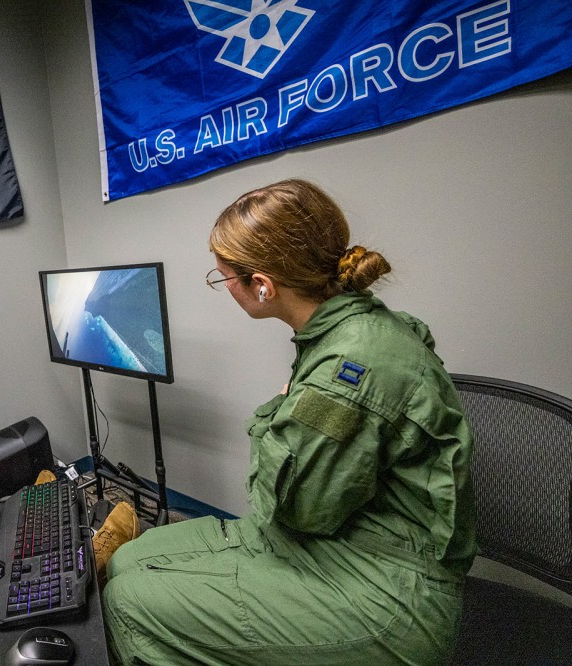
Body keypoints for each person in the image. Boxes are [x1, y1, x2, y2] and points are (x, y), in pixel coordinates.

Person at [101, 179, 476, 665]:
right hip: (340, 536)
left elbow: (294, 508)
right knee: (128, 558)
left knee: (128, 603)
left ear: (263, 285)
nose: (224, 289)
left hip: (387, 591)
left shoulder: (347, 369)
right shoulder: (348, 324)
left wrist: (275, 412)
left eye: (224, 279)